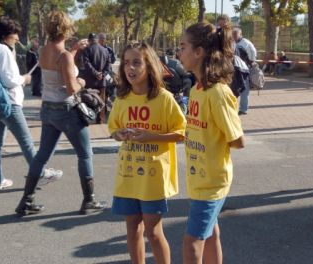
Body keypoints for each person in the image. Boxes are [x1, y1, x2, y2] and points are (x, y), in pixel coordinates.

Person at [15, 11, 106, 216]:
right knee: (84, 154)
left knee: (42, 156)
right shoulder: (64, 55)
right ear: (66, 29)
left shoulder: (44, 51)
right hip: (66, 110)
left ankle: (26, 200)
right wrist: (82, 81)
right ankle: (89, 200)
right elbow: (71, 87)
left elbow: (60, 67)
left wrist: (73, 51)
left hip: (48, 108)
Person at [108, 42, 186, 263]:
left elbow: (181, 133)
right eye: (126, 63)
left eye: (136, 62)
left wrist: (151, 136)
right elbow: (113, 129)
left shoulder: (163, 98)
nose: (130, 68)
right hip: (128, 176)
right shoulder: (122, 98)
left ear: (149, 65)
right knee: (132, 229)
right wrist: (119, 134)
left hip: (152, 179)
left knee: (153, 232)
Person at [178, 22, 245, 263]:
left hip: (212, 183)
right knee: (211, 234)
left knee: (192, 242)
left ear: (199, 52)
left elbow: (237, 140)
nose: (179, 52)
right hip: (199, 178)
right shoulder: (197, 89)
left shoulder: (218, 92)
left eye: (183, 46)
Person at [0, 16, 62, 191]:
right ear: (7, 34)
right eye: (15, 34)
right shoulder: (3, 51)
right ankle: (39, 175)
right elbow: (9, 79)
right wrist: (24, 79)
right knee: (26, 141)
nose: (17, 38)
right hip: (9, 102)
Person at [82, 32, 110, 123]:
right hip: (101, 81)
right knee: (102, 101)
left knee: (89, 100)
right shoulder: (105, 50)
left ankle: (89, 119)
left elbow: (87, 64)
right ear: (97, 40)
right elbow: (108, 65)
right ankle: (100, 120)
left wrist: (95, 73)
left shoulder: (87, 50)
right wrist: (102, 74)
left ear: (89, 40)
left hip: (90, 81)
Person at [232, 27, 257, 115]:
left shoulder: (246, 43)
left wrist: (251, 62)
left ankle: (243, 109)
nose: (234, 36)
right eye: (233, 34)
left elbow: (253, 53)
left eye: (235, 34)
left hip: (244, 69)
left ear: (240, 34)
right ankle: (232, 107)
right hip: (234, 69)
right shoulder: (232, 43)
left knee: (244, 89)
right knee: (233, 88)